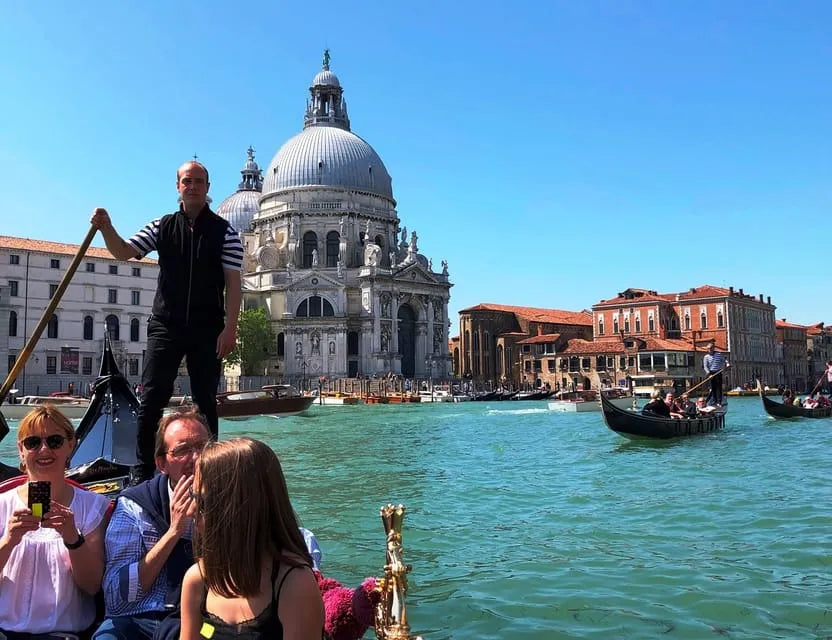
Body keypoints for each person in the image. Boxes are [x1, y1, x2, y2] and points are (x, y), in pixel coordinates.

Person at [90, 161, 243, 484]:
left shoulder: (225, 232)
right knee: (152, 399)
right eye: (187, 181)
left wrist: (231, 329)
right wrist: (106, 228)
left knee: (205, 401)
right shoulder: (162, 226)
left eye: (199, 181)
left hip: (207, 326)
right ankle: (143, 471)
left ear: (207, 187)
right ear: (178, 187)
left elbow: (233, 283)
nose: (193, 186)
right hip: (165, 324)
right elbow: (123, 252)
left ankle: (208, 469)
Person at [180, 438, 324, 640]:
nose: (189, 511)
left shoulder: (295, 584)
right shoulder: (197, 580)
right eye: (191, 496)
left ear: (239, 509)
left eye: (201, 502)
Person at [94, 408, 211, 640]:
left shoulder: (231, 501)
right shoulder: (134, 505)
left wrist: (206, 532)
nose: (196, 458)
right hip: (138, 618)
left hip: (203, 620)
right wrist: (174, 532)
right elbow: (117, 599)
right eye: (183, 450)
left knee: (216, 634)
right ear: (162, 464)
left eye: (203, 447)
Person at [0, 405, 110, 638]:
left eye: (55, 441)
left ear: (70, 445)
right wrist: (8, 542)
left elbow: (92, 586)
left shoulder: (92, 507)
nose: (43, 450)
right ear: (21, 450)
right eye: (32, 443)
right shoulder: (2, 505)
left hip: (62, 634)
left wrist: (73, 538)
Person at [703, 342, 729, 406]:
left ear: (713, 348)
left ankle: (719, 402)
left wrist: (727, 364)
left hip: (718, 372)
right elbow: (705, 366)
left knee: (719, 387)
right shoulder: (706, 357)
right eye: (708, 349)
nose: (709, 350)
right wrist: (709, 374)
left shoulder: (718, 354)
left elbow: (724, 360)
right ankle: (714, 401)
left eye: (710, 348)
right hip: (711, 373)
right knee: (713, 387)